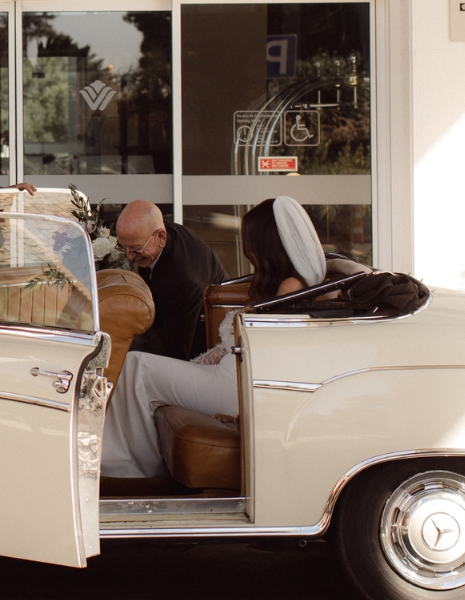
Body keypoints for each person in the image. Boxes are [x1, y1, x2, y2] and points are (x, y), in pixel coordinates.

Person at [100, 197, 327, 479]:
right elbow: (232, 346)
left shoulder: (289, 287)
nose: (248, 248)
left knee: (136, 367)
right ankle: (129, 464)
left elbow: (275, 356)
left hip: (235, 386)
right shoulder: (278, 282)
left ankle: (136, 469)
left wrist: (244, 410)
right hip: (229, 374)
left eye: (251, 239)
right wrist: (196, 366)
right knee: (136, 365)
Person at [114, 200, 228, 360]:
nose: (129, 257)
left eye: (136, 249)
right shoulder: (155, 233)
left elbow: (175, 352)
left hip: (200, 344)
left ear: (161, 236)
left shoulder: (184, 279)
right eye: (123, 247)